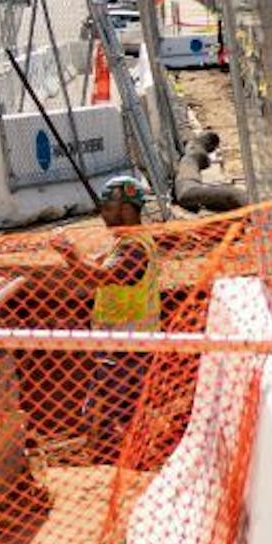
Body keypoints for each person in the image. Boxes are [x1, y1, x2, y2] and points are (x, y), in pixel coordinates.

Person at [53, 173, 160, 456]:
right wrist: (72, 256)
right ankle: (125, 459)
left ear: (126, 209)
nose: (103, 214)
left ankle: (111, 465)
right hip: (122, 344)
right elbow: (93, 269)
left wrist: (70, 255)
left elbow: (104, 276)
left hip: (128, 347)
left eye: (108, 208)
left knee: (102, 412)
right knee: (121, 412)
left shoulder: (135, 247)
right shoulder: (124, 241)